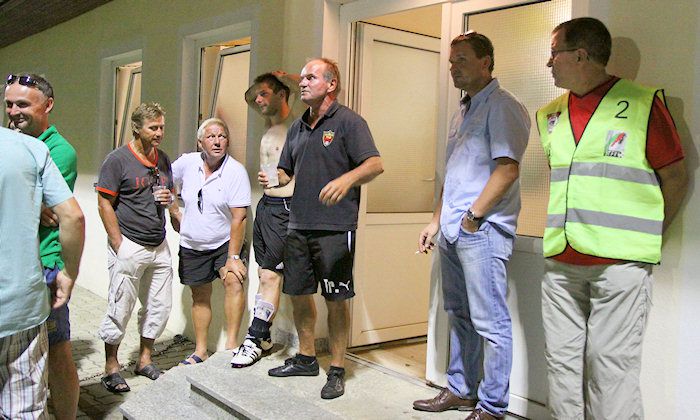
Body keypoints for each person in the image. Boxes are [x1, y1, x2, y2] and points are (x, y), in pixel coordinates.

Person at [538, 17, 687, 419]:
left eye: (554, 53)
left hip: (619, 267)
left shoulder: (641, 104)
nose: (549, 63)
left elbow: (675, 177)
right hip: (561, 263)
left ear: (580, 55)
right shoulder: (550, 114)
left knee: (610, 369)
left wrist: (646, 238)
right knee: (561, 366)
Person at [413, 32, 530, 420]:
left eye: (461, 60)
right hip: (453, 229)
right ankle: (461, 389)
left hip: (482, 231)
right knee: (459, 314)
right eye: (451, 61)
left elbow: (507, 169)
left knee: (490, 322)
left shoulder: (503, 106)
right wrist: (435, 220)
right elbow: (454, 173)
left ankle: (493, 406)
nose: (453, 68)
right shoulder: (462, 111)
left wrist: (473, 217)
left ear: (486, 62)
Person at [265, 58, 383, 400]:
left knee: (336, 298)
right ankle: (305, 358)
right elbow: (286, 172)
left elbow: (375, 164)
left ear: (331, 84)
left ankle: (337, 368)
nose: (302, 82)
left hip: (335, 226)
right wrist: (274, 177)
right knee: (299, 293)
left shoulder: (349, 122)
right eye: (301, 78)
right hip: (298, 224)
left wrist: (347, 180)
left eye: (311, 77)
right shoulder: (298, 127)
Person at [4, 72, 80, 419]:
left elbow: (56, 214)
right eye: (9, 104)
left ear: (48, 105)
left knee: (59, 349)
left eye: (23, 105)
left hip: (46, 264)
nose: (13, 112)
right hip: (19, 269)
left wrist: (30, 207)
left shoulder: (57, 150)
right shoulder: (16, 144)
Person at [95, 102, 175, 393]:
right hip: (130, 242)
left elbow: (170, 193)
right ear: (137, 128)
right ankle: (111, 367)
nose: (159, 133)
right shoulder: (117, 160)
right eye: (153, 128)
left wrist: (171, 203)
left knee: (159, 305)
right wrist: (118, 243)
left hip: (159, 243)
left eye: (161, 127)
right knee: (121, 306)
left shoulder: (163, 159)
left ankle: (145, 360)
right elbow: (104, 202)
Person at [168, 118, 251, 365]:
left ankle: (231, 347)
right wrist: (174, 211)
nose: (217, 141)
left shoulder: (235, 171)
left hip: (225, 242)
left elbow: (239, 217)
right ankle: (201, 350)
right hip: (192, 243)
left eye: (222, 136)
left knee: (233, 281)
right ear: (200, 142)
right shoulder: (188, 163)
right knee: (200, 296)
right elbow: (162, 179)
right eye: (211, 136)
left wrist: (233, 256)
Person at [231, 71, 298, 368]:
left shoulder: (295, 126)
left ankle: (255, 338)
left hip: (286, 207)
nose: (257, 100)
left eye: (265, 94)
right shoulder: (270, 125)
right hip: (267, 206)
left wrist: (288, 78)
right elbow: (248, 98)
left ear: (283, 95)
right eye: (257, 95)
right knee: (264, 273)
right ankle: (265, 336)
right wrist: (267, 84)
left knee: (272, 275)